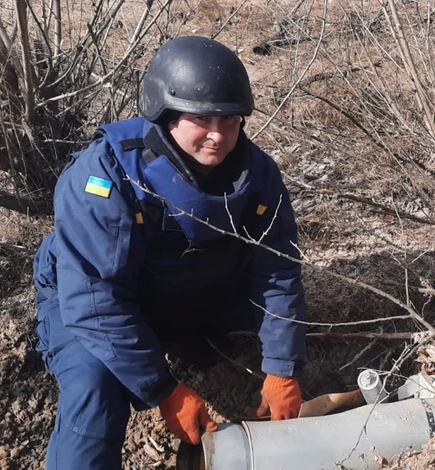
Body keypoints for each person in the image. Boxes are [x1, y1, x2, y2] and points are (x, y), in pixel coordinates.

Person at [32, 36, 307, 469]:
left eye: (231, 120)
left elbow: (278, 271)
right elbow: (95, 299)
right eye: (203, 119)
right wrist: (164, 390)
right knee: (95, 385)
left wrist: (282, 367)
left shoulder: (257, 173)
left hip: (189, 287)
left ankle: (188, 336)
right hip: (89, 298)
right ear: (165, 113)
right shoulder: (104, 174)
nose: (219, 135)